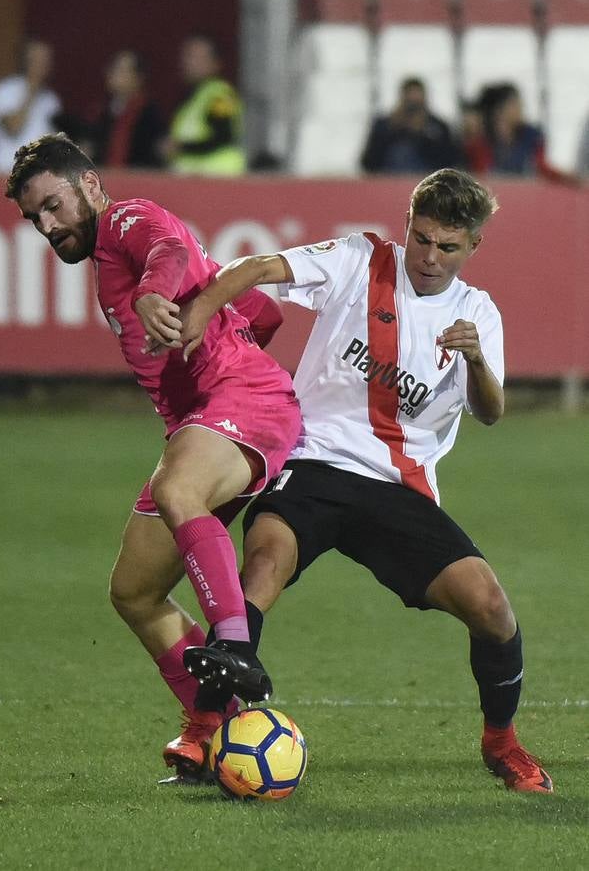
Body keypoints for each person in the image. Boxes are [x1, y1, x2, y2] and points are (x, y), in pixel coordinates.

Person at [173, 168, 553, 794]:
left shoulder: (476, 313)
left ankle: (502, 743)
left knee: (492, 610)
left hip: (397, 489)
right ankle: (205, 724)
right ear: (409, 226)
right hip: (312, 463)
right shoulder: (360, 258)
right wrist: (202, 310)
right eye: (422, 238)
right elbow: (259, 268)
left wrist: (478, 359)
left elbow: (489, 411)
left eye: (448, 246)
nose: (429, 257)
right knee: (262, 567)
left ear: (473, 247)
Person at [5, 133, 301, 783]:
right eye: (35, 218)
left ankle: (233, 645)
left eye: (53, 205)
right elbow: (262, 311)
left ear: (87, 185)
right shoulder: (104, 259)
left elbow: (167, 247)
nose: (48, 226)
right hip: (211, 418)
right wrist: (220, 323)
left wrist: (152, 296)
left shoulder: (124, 222)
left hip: (243, 404)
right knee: (135, 593)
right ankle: (209, 729)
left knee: (177, 492)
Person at [464, 83, 578, 185]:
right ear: (499, 110)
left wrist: (567, 177)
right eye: (515, 104)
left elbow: (542, 167)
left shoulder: (531, 136)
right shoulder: (480, 143)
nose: (521, 108)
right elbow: (480, 174)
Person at [166, 34, 246, 176]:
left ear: (215, 63)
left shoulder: (220, 95)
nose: (188, 62)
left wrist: (182, 147)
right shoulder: (192, 97)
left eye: (196, 57)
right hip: (193, 177)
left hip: (218, 177)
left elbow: (223, 136)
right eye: (187, 56)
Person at [361, 77, 463, 174]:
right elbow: (368, 163)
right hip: (390, 181)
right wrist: (392, 131)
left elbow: (449, 162)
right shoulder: (384, 125)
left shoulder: (438, 127)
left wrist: (423, 135)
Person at [0, 39, 62, 173]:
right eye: (37, 59)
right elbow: (13, 127)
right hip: (7, 172)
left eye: (46, 59)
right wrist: (31, 91)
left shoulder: (51, 99)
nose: (42, 64)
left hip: (38, 176)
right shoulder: (5, 90)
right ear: (25, 61)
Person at [88, 50, 165, 169]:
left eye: (122, 70)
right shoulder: (102, 112)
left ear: (138, 78)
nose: (114, 74)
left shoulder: (149, 114)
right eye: (113, 68)